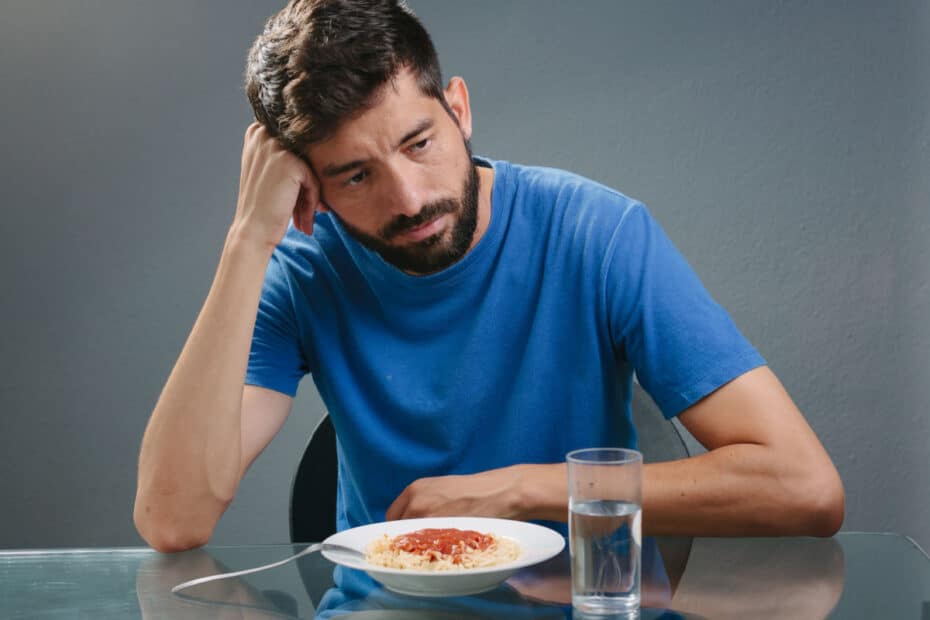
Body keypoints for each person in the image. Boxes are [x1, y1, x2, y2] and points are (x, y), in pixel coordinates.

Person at [133, 0, 844, 554]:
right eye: (355, 175)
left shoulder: (597, 233)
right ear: (307, 187)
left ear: (460, 110)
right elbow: (173, 520)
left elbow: (803, 488)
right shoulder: (302, 272)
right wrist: (246, 240)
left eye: (420, 143)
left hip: (587, 607)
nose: (408, 199)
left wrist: (519, 491)